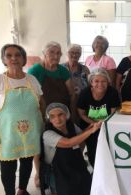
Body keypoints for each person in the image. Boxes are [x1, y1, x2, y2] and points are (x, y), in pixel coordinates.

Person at [0, 44, 44, 195]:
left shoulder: (31, 80)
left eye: (17, 55)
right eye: (9, 55)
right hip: (7, 132)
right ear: (4, 59)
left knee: (27, 161)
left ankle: (22, 191)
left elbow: (41, 102)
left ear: (23, 58)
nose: (14, 58)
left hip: (31, 131)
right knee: (8, 164)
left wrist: (43, 124)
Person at [28, 41, 76, 186]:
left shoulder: (63, 70)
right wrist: (41, 115)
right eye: (52, 53)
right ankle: (39, 174)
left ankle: (63, 169)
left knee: (66, 141)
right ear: (44, 54)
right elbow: (32, 95)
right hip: (43, 113)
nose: (55, 56)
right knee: (40, 145)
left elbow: (72, 93)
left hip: (62, 112)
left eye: (58, 53)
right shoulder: (35, 70)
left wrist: (72, 114)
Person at [41, 103, 101, 195]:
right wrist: (91, 131)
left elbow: (81, 137)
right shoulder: (48, 134)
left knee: (89, 188)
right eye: (53, 116)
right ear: (49, 119)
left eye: (60, 115)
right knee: (67, 193)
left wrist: (91, 126)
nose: (57, 119)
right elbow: (68, 143)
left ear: (67, 115)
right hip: (58, 172)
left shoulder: (71, 126)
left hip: (74, 166)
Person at [77, 69, 120, 168]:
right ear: (91, 82)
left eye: (103, 81)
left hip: (107, 124)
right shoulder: (85, 93)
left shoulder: (112, 92)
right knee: (92, 150)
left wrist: (103, 123)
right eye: (96, 81)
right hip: (89, 125)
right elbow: (82, 114)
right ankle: (95, 170)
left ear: (108, 82)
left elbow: (113, 113)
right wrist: (94, 124)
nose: (100, 84)